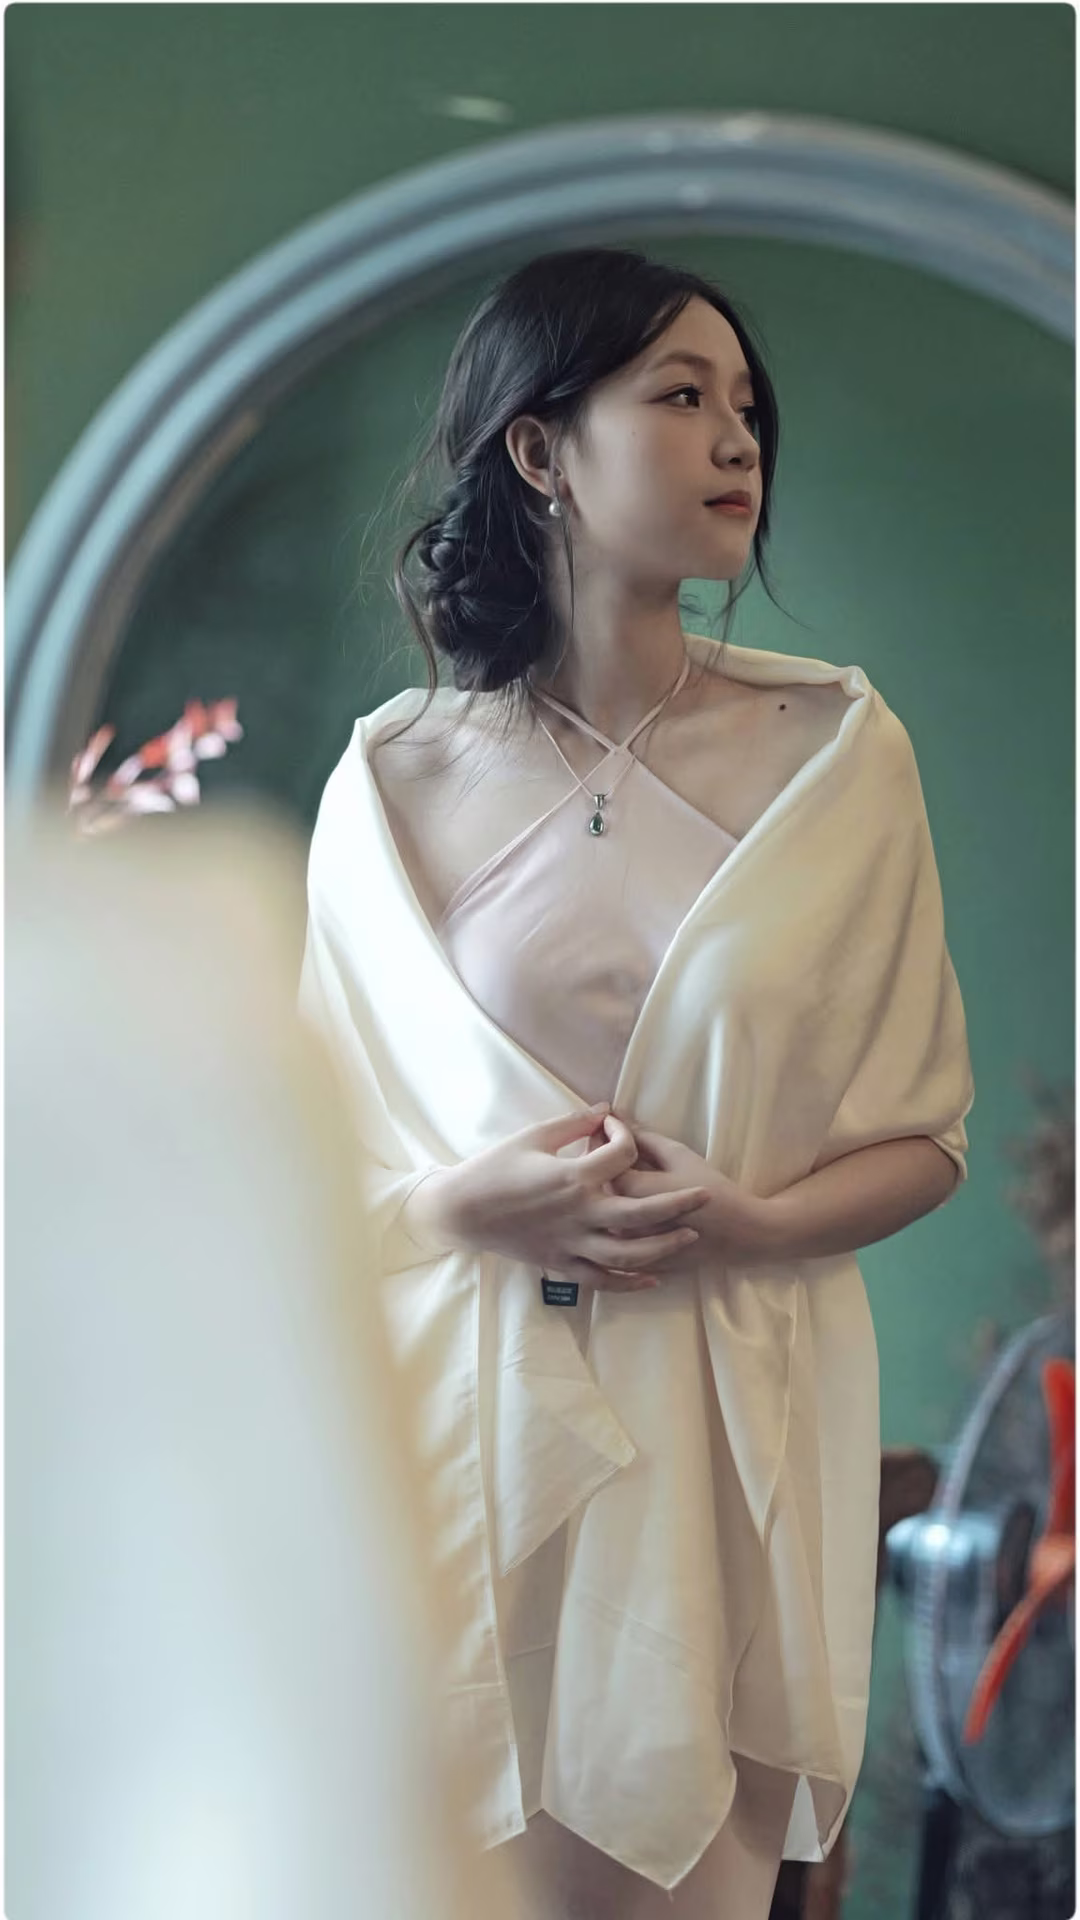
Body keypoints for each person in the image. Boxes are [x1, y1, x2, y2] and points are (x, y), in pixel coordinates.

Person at [299, 246, 975, 1918]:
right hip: (461, 1456)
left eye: (747, 405)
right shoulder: (387, 781)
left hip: (718, 1461)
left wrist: (750, 1221)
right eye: (682, 396)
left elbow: (925, 1135)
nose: (740, 440)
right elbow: (311, 1173)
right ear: (539, 449)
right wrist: (465, 1203)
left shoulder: (841, 756)